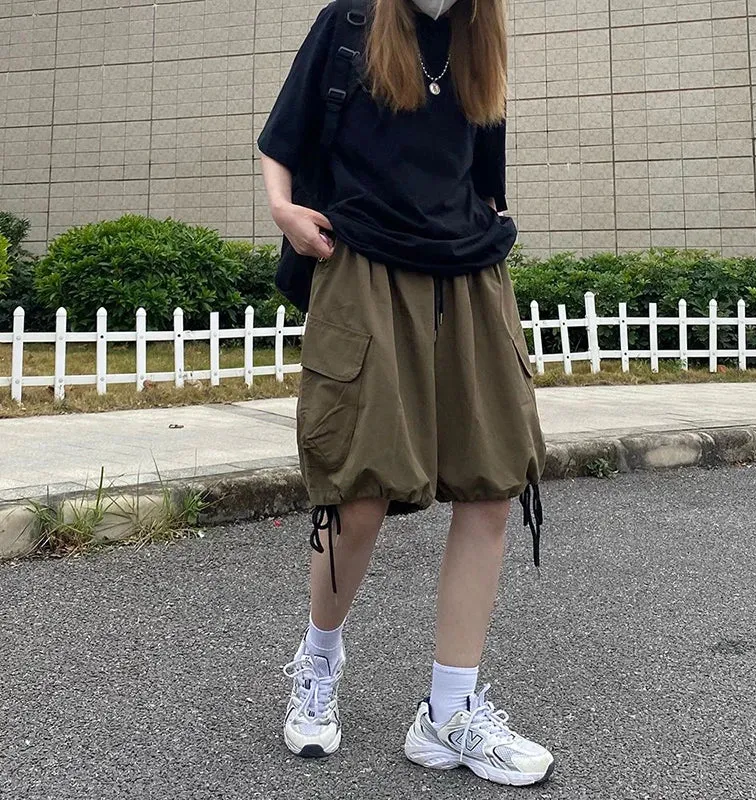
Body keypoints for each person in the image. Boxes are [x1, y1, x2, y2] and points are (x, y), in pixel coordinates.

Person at [257, 0, 553, 786]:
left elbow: (485, 176)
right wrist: (284, 211)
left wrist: (493, 239)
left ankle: (448, 713)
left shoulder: (479, 36)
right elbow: (283, 138)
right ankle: (319, 660)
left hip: (470, 271)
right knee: (360, 493)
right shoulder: (351, 23)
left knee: (492, 485)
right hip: (362, 263)